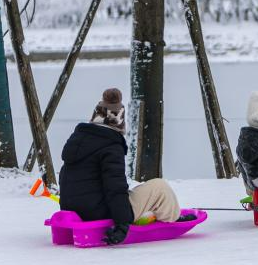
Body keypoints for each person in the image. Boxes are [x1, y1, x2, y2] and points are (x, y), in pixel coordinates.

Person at [59, 88, 195, 245]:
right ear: (120, 122)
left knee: (129, 192)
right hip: (98, 213)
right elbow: (114, 188)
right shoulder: (110, 146)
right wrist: (122, 223)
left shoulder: (78, 140)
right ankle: (173, 219)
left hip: (74, 210)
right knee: (160, 186)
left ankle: (151, 212)